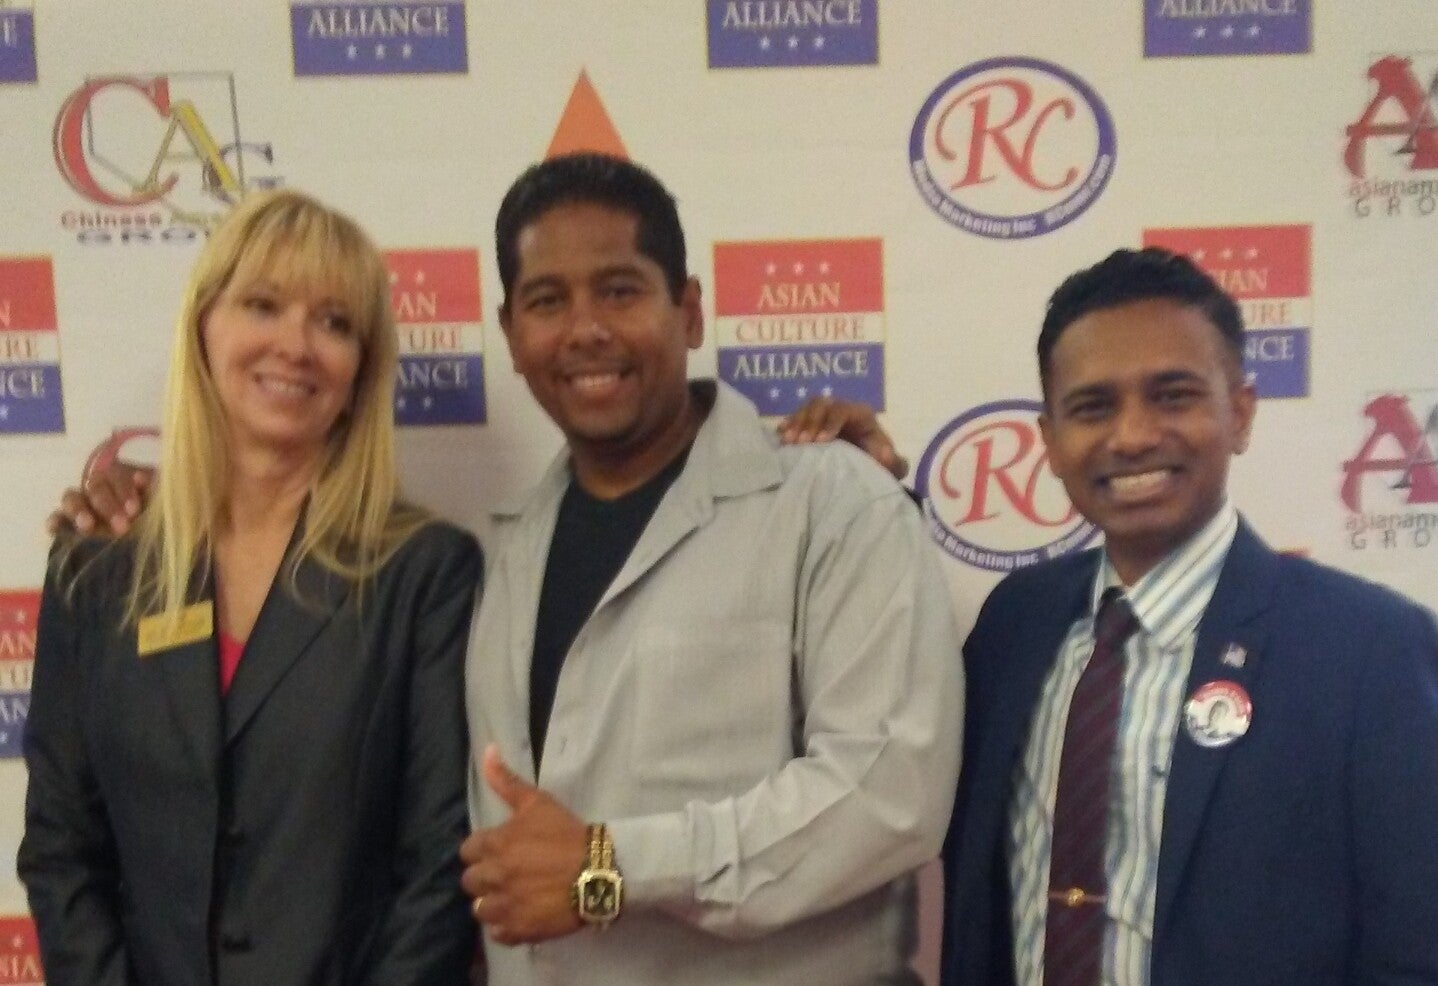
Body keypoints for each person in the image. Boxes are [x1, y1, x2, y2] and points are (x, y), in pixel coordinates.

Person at [457, 152, 962, 985]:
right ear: (511, 335)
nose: (585, 329)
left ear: (688, 312)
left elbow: (887, 797)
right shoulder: (504, 551)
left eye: (620, 290)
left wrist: (605, 867)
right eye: (547, 301)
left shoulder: (834, 503)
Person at [937, 248, 1438, 985]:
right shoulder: (1015, 625)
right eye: (1092, 407)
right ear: (1049, 441)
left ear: (1240, 413)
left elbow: (1415, 951)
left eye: (1172, 396)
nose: (1132, 436)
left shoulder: (1370, 652)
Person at [19, 190, 482, 986]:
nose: (295, 346)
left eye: (334, 323)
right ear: (204, 328)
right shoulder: (95, 571)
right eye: (263, 306)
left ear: (361, 369)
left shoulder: (425, 573)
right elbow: (63, 850)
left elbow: (440, 862)